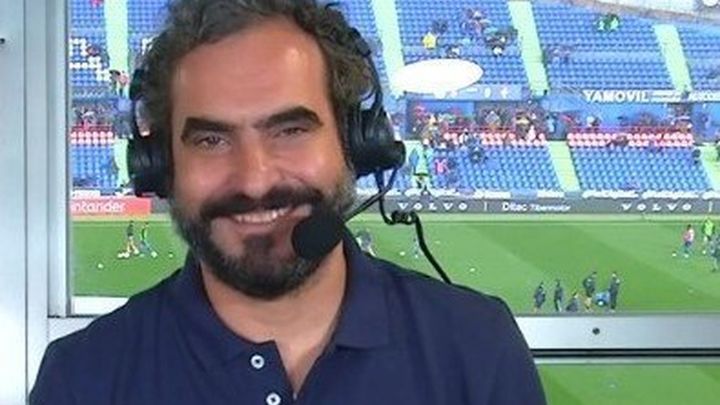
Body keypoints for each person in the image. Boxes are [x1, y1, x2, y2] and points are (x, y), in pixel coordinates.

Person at [31, 1, 545, 404]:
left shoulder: (476, 349)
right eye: (211, 139)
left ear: (354, 143)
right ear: (161, 165)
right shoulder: (83, 378)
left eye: (291, 130)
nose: (255, 179)